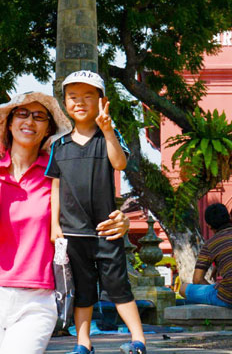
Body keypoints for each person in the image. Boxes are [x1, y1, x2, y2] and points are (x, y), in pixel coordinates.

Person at [0, 91, 130, 354]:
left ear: (48, 130)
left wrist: (121, 221)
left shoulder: (58, 172)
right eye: (22, 114)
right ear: (9, 123)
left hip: (38, 298)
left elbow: (90, 207)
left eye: (39, 116)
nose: (30, 121)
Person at [48, 71, 146, 354]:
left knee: (118, 285)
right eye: (73, 97)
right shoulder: (59, 145)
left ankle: (138, 339)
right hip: (72, 231)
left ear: (102, 101)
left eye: (88, 96)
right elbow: (55, 185)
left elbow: (120, 164)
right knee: (82, 290)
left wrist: (107, 130)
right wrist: (55, 224)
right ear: (65, 103)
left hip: (106, 229)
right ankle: (83, 343)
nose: (80, 102)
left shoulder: (109, 138)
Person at [179, 203, 232, 308]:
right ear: (229, 217)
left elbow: (197, 279)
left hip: (231, 298)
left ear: (209, 225)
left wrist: (216, 288)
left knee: (183, 288)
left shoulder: (210, 244)